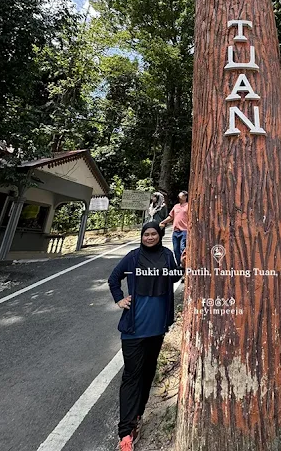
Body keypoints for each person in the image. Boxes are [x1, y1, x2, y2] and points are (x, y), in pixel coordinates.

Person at [108, 221, 185, 451]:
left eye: (153, 234)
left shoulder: (167, 255)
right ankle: (125, 432)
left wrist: (181, 266)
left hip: (157, 329)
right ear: (142, 237)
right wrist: (119, 299)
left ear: (160, 236)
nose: (149, 237)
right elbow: (114, 278)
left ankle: (137, 417)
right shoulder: (133, 257)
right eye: (146, 234)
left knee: (148, 373)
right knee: (132, 375)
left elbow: (172, 278)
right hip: (134, 329)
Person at [159, 191, 188, 268]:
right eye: (179, 196)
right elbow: (171, 217)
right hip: (175, 231)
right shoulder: (176, 206)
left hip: (184, 230)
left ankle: (184, 265)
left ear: (185, 197)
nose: (179, 198)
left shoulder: (188, 206)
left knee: (183, 249)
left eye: (181, 196)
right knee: (175, 250)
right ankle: (179, 265)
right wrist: (163, 222)